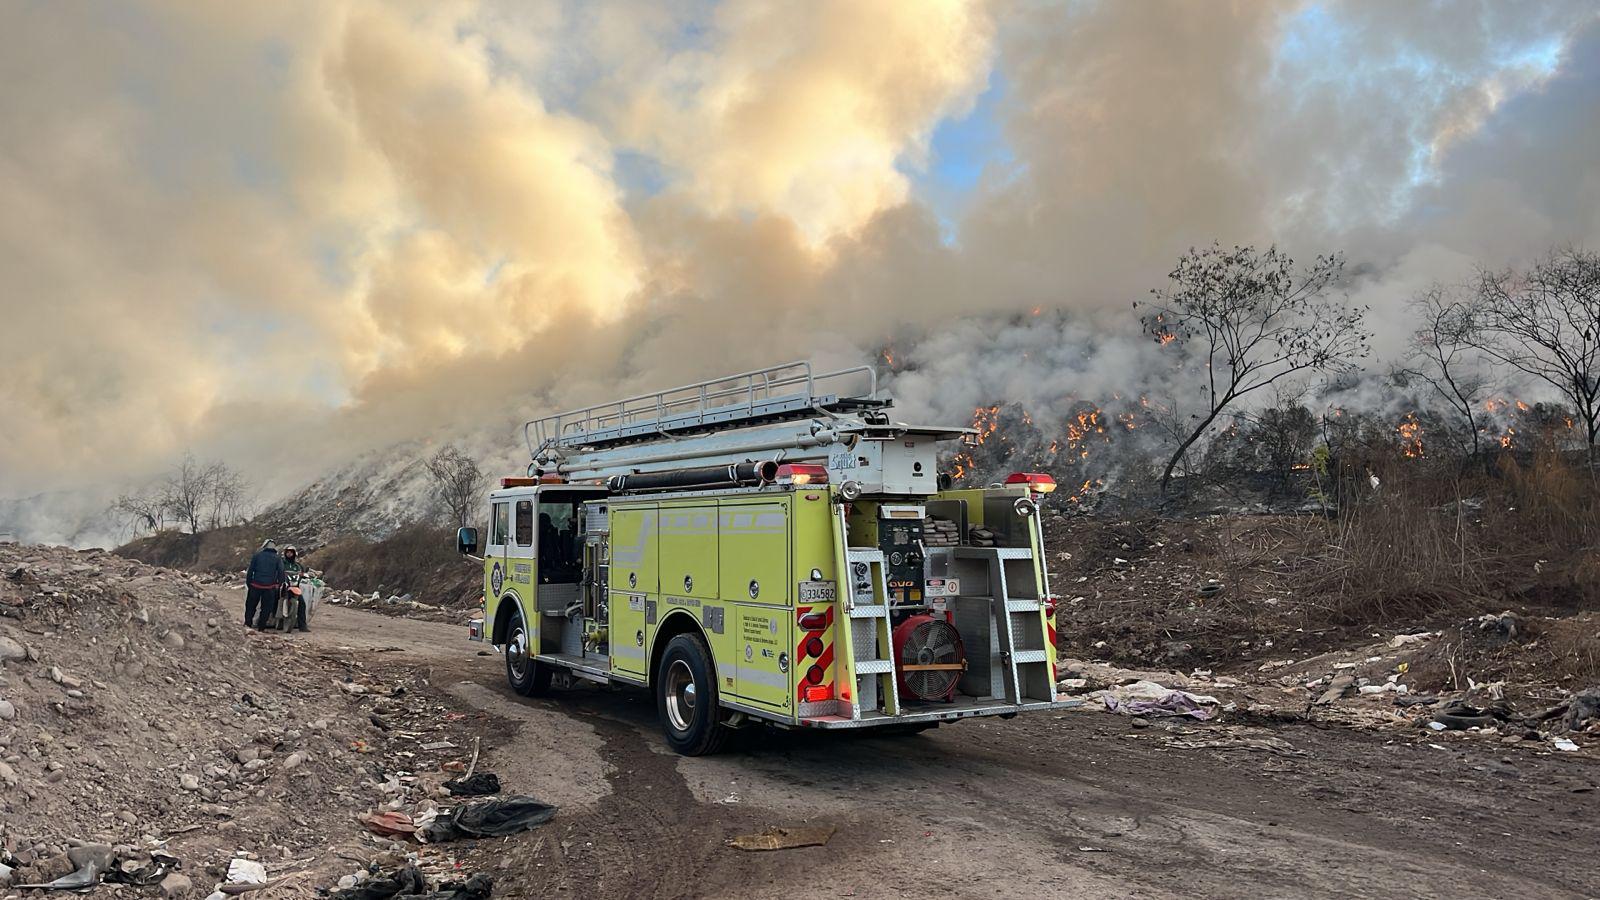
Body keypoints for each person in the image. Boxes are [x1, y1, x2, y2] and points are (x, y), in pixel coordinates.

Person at [245, 539, 286, 630]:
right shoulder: (277, 558)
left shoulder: (257, 556)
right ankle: (261, 627)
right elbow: (281, 572)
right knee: (266, 608)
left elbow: (250, 570)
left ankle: (248, 624)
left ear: (264, 546)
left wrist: (249, 583)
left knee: (250, 606)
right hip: (269, 587)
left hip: (255, 585)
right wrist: (279, 585)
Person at [281, 545, 309, 632]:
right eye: (288, 552)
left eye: (291, 552)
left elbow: (303, 572)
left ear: (294, 554)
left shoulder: (297, 565)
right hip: (283, 585)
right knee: (273, 598)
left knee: (302, 603)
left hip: (295, 586)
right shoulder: (281, 563)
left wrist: (304, 575)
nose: (289, 554)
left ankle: (302, 626)